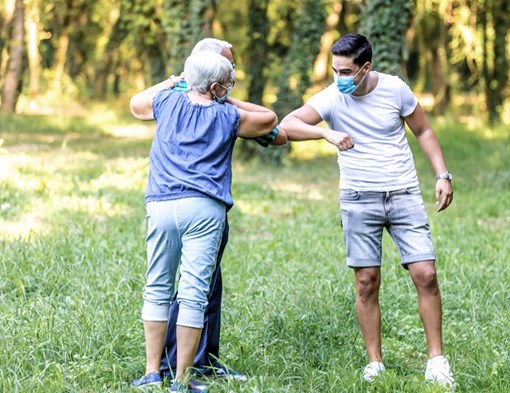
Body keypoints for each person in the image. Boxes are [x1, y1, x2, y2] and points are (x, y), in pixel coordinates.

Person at [279, 33, 455, 386]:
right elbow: (287, 124)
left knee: (426, 274)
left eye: (345, 71)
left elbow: (423, 131)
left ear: (365, 68)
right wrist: (325, 135)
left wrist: (442, 174)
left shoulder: (395, 90)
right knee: (366, 281)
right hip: (359, 198)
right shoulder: (331, 98)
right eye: (334, 70)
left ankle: (436, 361)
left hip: (403, 193)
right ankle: (375, 363)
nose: (338, 77)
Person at [129, 51, 278, 392]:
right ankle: (181, 380)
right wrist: (223, 95)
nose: (230, 88)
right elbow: (269, 118)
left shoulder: (165, 101)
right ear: (215, 87)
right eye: (228, 83)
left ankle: (152, 374)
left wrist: (176, 81)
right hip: (204, 210)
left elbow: (136, 103)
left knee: (157, 286)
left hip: (162, 205)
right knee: (194, 293)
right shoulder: (229, 116)